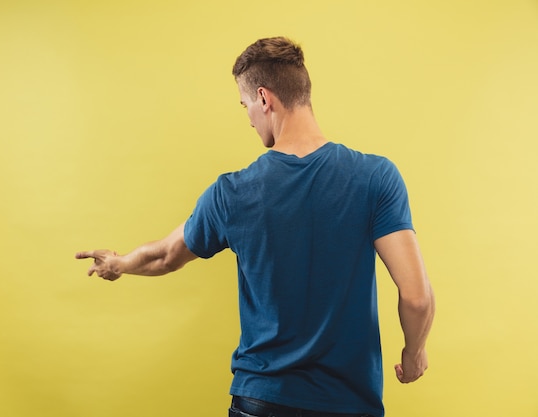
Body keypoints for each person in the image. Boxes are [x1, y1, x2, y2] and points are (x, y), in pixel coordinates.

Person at [76, 36, 435, 417]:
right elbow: (416, 297)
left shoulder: (233, 192)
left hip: (261, 400)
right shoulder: (376, 177)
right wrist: (414, 354)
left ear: (264, 99)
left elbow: (166, 255)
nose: (247, 117)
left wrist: (119, 263)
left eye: (245, 105)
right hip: (347, 403)